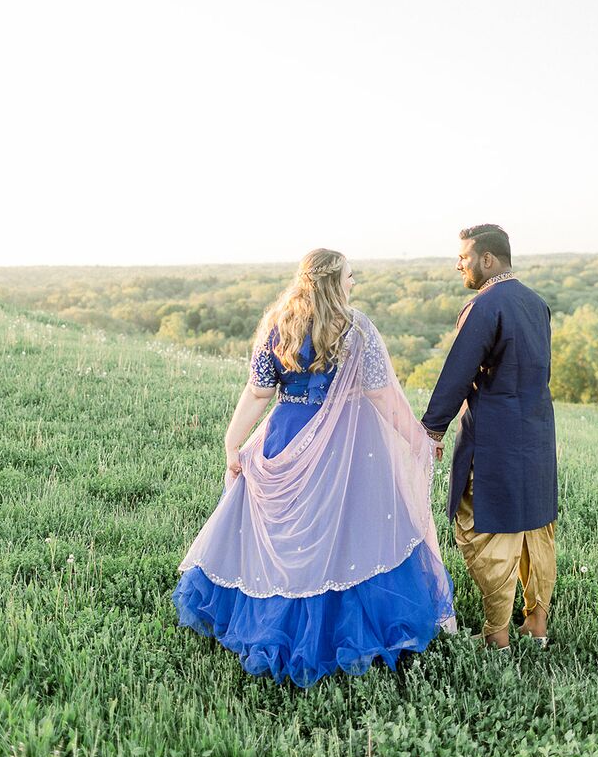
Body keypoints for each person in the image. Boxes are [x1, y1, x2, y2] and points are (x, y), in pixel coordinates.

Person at [173, 248, 455, 686]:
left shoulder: (278, 323)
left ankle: (278, 622)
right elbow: (381, 396)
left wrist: (234, 442)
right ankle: (337, 630)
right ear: (332, 281)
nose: (353, 283)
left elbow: (258, 392)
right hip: (343, 441)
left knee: (291, 536)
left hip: (287, 431)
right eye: (349, 276)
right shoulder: (356, 328)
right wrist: (418, 437)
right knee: (343, 530)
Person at [421, 224, 557, 650]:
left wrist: (432, 429)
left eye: (464, 257)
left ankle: (497, 633)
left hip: (495, 437)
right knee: (534, 525)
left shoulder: (484, 305)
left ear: (487, 260)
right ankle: (536, 626)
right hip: (536, 435)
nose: (458, 264)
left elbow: (458, 373)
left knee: (483, 525)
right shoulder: (537, 304)